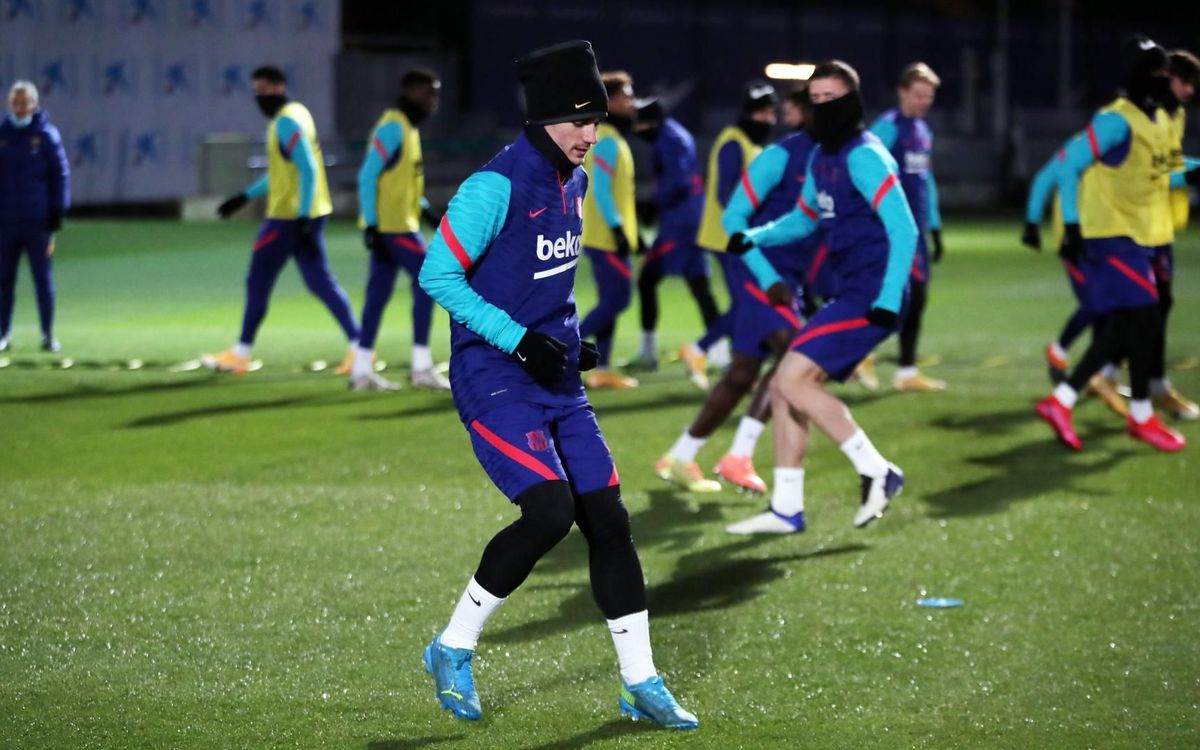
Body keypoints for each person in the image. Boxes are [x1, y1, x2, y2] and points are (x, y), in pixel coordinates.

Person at [416, 40, 697, 729]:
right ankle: (452, 647)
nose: (590, 134)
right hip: (492, 375)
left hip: (556, 374)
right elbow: (436, 276)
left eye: (597, 120)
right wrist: (518, 339)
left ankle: (640, 682)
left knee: (608, 516)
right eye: (577, 121)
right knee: (548, 512)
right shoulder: (494, 186)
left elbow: (548, 279)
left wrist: (570, 339)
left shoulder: (578, 178)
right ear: (542, 118)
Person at [723, 60, 913, 534]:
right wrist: (757, 236)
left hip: (873, 294)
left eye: (834, 98)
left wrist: (888, 297)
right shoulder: (821, 158)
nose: (825, 107)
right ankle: (787, 507)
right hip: (852, 290)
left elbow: (903, 228)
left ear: (854, 102)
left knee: (790, 380)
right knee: (788, 388)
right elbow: (805, 218)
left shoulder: (864, 156)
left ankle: (876, 470)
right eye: (817, 99)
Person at [656, 87, 816, 496]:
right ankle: (739, 456)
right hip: (755, 267)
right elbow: (734, 205)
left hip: (781, 275)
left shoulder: (828, 158)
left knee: (745, 369)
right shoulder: (778, 154)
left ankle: (680, 455)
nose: (771, 116)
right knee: (794, 359)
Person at [1036, 36, 1186, 452]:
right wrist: (1070, 227)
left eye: (1166, 74)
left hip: (1137, 237)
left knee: (1126, 326)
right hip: (1106, 236)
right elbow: (1068, 167)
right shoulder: (1115, 120)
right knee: (1146, 316)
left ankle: (1061, 401)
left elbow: (1165, 172)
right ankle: (1139, 415)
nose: (1164, 82)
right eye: (1157, 74)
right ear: (1140, 78)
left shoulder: (1155, 120)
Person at [202, 65, 359, 374]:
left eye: (263, 90)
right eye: (256, 91)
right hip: (308, 213)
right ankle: (359, 347)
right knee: (320, 282)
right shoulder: (298, 113)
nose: (258, 97)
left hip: (288, 218)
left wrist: (300, 219)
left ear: (278, 87)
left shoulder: (285, 122)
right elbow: (283, 172)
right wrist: (245, 197)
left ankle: (241, 353)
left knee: (258, 280)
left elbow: (309, 170)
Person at [349, 69, 449, 391]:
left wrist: (427, 212)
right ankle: (420, 367)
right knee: (428, 283)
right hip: (393, 228)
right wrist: (372, 225)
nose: (432, 101)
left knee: (377, 296)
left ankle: (361, 371)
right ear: (410, 93)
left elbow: (401, 183)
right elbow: (367, 175)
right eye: (427, 94)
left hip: (399, 223)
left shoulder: (407, 129)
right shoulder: (393, 127)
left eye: (435, 94)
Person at [681, 83, 778, 390]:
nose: (766, 118)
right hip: (727, 236)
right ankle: (701, 350)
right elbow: (726, 192)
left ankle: (736, 363)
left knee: (746, 302)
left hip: (737, 235)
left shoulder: (749, 143)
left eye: (770, 112)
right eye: (760, 111)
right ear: (748, 112)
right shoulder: (734, 142)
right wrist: (747, 224)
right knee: (747, 302)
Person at [1022, 141, 1129, 417]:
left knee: (1112, 312)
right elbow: (1044, 179)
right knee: (1097, 304)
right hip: (1076, 243)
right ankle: (1059, 351)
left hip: (1108, 240)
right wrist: (1032, 222)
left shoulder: (1126, 149)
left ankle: (1097, 376)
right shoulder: (1080, 149)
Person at [869, 62, 946, 392]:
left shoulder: (922, 131)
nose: (924, 101)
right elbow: (866, 173)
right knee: (908, 298)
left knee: (915, 300)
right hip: (894, 229)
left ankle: (905, 371)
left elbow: (925, 181)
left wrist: (936, 227)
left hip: (917, 232)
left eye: (929, 96)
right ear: (902, 92)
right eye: (918, 95)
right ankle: (864, 353)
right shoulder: (887, 128)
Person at [628, 97, 719, 371]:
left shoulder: (670, 140)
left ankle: (647, 352)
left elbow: (678, 181)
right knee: (700, 286)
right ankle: (721, 355)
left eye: (640, 123)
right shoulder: (677, 134)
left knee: (646, 280)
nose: (638, 129)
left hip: (679, 224)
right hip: (692, 219)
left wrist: (653, 205)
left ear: (650, 122)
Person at [577, 71, 640, 389]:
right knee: (618, 300)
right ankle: (563, 345)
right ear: (610, 101)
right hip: (606, 238)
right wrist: (617, 230)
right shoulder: (608, 141)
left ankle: (601, 368)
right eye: (626, 95)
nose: (631, 101)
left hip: (612, 236)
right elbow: (601, 191)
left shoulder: (614, 139)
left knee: (611, 300)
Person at [0, 80, 69, 353]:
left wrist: (58, 212)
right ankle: (3, 333)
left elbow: (60, 175)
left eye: (24, 102)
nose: (19, 107)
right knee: (4, 281)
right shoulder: (2, 135)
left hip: (37, 223)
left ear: (34, 105)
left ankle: (47, 335)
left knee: (43, 280)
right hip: (6, 223)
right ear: (9, 104)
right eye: (15, 102)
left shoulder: (46, 136)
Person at [1150, 49, 1200, 419]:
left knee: (1155, 306)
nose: (1190, 92)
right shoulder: (1144, 115)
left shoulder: (1176, 115)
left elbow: (1169, 164)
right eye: (1186, 83)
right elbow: (1153, 171)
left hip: (1161, 224)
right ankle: (1154, 390)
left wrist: (1192, 167)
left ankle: (1107, 375)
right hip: (1136, 226)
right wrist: (1189, 174)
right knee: (1145, 306)